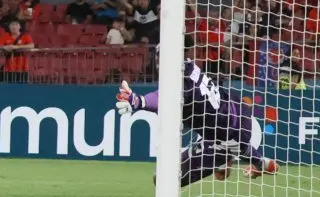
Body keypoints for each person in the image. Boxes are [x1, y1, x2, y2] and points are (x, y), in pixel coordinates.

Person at [115, 57, 278, 186]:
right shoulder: (188, 65)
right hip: (235, 106)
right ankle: (223, 158)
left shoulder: (185, 91)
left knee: (163, 180)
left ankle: (223, 157)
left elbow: (164, 97)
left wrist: (138, 101)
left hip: (227, 135)